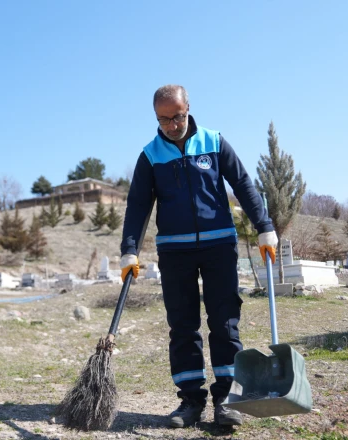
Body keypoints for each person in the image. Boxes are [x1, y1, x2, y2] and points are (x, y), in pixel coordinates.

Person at [119, 85, 278, 427]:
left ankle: (227, 399)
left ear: (188, 108)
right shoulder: (150, 155)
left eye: (177, 116)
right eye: (164, 119)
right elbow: (137, 207)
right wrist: (128, 251)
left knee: (224, 321)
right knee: (182, 324)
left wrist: (265, 226)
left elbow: (243, 184)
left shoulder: (214, 141)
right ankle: (190, 400)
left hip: (219, 244)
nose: (172, 125)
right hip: (174, 250)